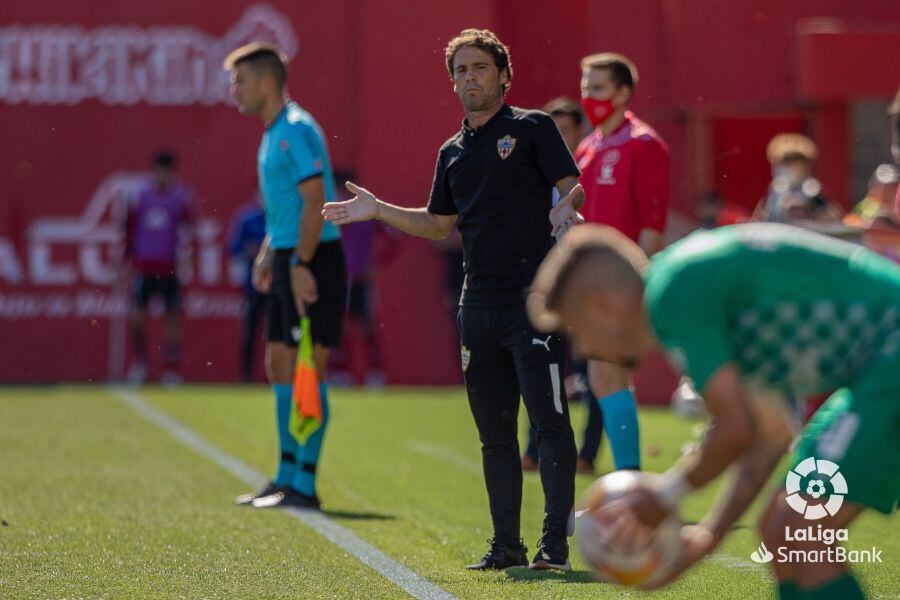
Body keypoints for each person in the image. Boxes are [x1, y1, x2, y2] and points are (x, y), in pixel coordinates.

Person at [323, 29, 584, 571]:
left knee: (549, 423)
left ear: (503, 75)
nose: (470, 78)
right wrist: (377, 211)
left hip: (535, 302)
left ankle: (554, 544)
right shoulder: (453, 152)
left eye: (480, 68)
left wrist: (565, 209)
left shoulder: (532, 128)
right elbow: (438, 223)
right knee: (494, 436)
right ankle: (505, 544)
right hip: (478, 307)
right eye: (461, 71)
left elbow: (570, 187)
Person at [528, 223, 900, 599]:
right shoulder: (686, 289)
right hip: (880, 366)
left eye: (576, 330)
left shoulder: (673, 294)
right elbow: (770, 435)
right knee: (780, 531)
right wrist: (708, 536)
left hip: (891, 355)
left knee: (798, 529)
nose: (580, 350)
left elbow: (734, 430)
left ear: (601, 307)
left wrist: (663, 496)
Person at [225, 43, 347, 510]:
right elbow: (287, 208)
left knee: (306, 369)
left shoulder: (295, 130)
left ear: (265, 81)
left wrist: (298, 264)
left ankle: (305, 483)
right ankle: (283, 475)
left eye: (240, 80)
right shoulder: (274, 131)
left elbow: (316, 201)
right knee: (279, 363)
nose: (234, 90)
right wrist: (268, 255)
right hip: (286, 256)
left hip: (313, 259)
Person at [573, 52, 671, 472]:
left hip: (620, 282)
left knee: (607, 375)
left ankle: (629, 478)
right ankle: (628, 476)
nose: (588, 97)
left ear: (623, 92)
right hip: (589, 282)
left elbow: (652, 224)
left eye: (597, 88)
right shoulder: (587, 147)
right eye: (585, 87)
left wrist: (635, 285)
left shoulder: (644, 144)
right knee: (602, 378)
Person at [522, 96, 603, 476]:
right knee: (539, 363)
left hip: (587, 285)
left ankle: (587, 454)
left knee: (594, 370)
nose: (555, 138)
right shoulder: (532, 176)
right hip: (547, 285)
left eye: (563, 130)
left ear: (578, 132)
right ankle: (533, 451)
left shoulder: (590, 172)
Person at [122, 150, 196, 386]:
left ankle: (171, 369)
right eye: (159, 170)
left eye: (167, 171)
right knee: (137, 316)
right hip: (144, 267)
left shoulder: (180, 198)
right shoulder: (139, 196)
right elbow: (128, 231)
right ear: (154, 171)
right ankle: (140, 364)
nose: (163, 175)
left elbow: (189, 231)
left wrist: (188, 256)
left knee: (172, 318)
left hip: (169, 268)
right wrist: (124, 262)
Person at [228, 192, 267, 382]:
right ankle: (246, 376)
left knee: (278, 335)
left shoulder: (280, 217)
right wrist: (250, 251)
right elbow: (234, 249)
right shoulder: (247, 218)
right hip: (253, 286)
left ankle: (279, 377)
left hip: (276, 287)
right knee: (250, 332)